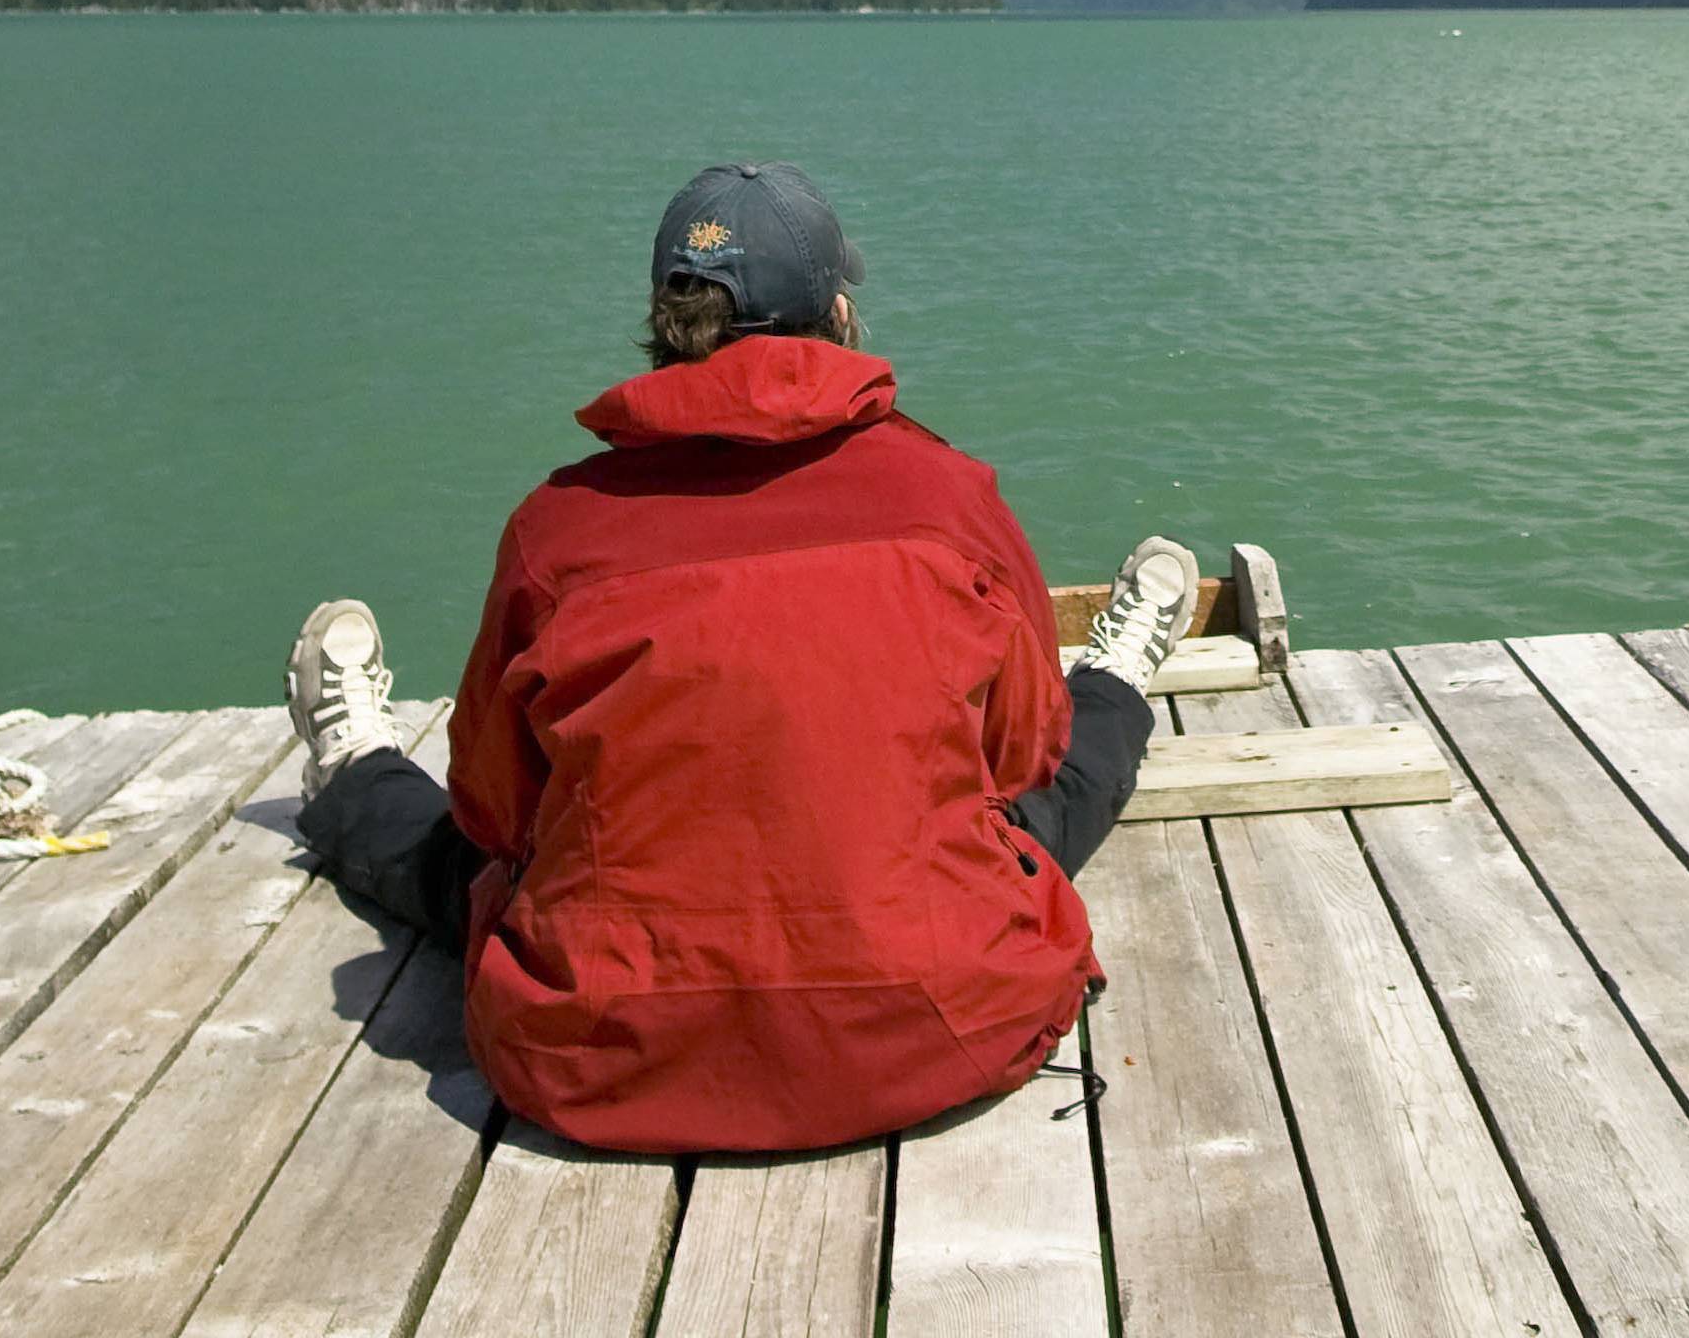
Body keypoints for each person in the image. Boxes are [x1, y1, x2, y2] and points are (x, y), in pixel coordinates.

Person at [282, 160, 1194, 1155]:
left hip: (604, 1056)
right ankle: (1119, 669)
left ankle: (354, 759)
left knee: (460, 866)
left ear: (663, 323)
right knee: (1041, 797)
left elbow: (494, 809)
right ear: (838, 316)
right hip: (934, 1032)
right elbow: (1020, 754)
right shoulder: (948, 498)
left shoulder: (557, 530)